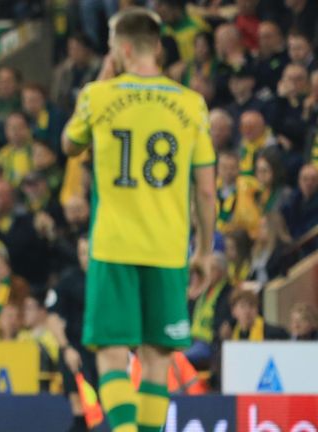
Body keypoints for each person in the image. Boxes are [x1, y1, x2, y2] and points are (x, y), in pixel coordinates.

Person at [62, 8, 216, 432]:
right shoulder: (191, 103)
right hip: (168, 250)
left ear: (123, 50)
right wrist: (203, 250)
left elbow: (69, 145)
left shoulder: (98, 95)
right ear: (159, 48)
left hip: (113, 246)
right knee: (157, 357)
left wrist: (104, 78)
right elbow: (205, 190)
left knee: (111, 353)